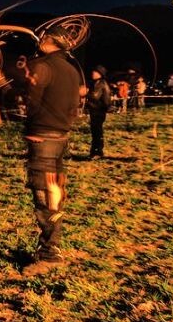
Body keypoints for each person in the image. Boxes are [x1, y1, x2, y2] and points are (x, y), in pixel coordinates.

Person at [21, 25, 83, 277]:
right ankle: (50, 247)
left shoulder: (42, 66)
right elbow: (74, 103)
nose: (39, 42)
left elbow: (32, 100)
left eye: (42, 38)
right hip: (61, 136)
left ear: (49, 41)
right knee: (54, 190)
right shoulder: (71, 69)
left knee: (44, 193)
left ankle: (49, 253)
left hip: (43, 137)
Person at [85, 66, 112, 158]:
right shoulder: (98, 83)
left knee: (97, 132)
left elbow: (95, 96)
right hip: (97, 110)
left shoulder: (100, 83)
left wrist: (85, 92)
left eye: (96, 72)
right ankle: (95, 151)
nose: (93, 73)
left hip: (98, 111)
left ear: (100, 74)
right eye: (93, 71)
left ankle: (97, 152)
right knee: (96, 131)